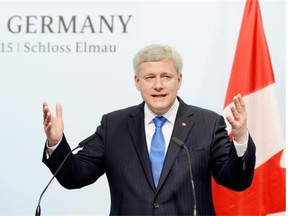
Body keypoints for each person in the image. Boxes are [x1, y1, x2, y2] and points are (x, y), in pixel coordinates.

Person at [42, 44, 256, 215]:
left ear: (179, 80)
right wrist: (56, 143)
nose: (158, 85)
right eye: (150, 77)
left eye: (166, 76)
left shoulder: (207, 124)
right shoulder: (114, 125)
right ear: (137, 82)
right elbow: (75, 176)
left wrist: (239, 139)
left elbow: (236, 181)